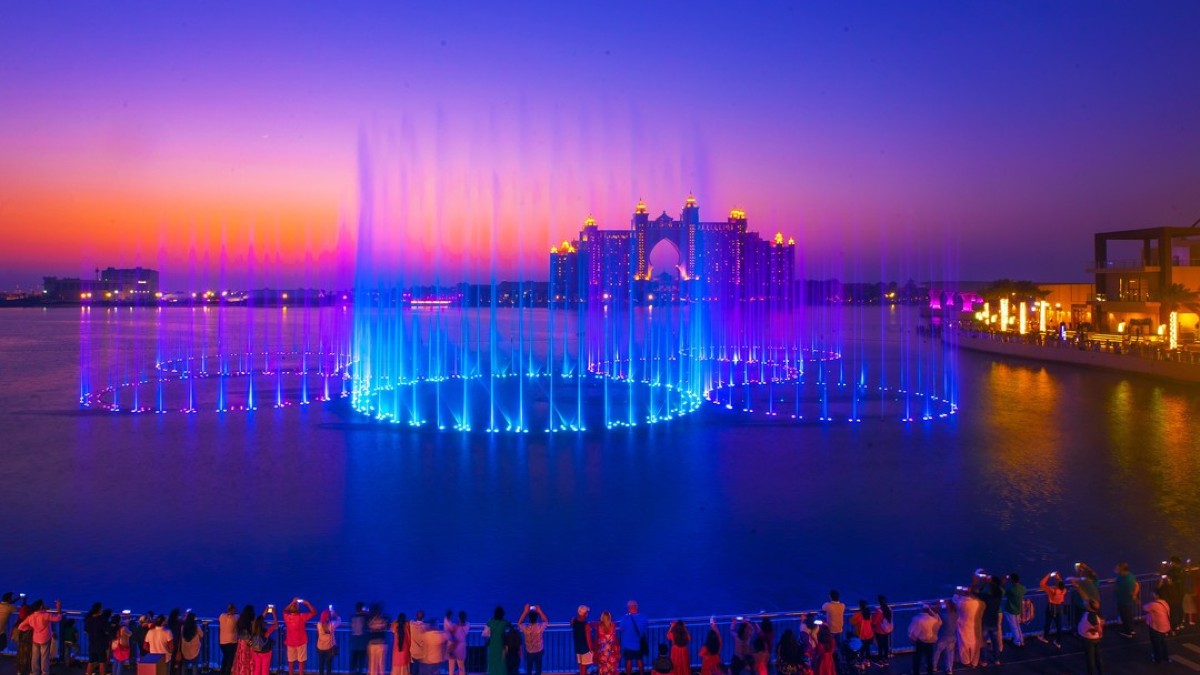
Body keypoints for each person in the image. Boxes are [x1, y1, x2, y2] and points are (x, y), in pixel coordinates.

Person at [284, 598, 318, 675]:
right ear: (298, 609)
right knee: (301, 662)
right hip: (301, 642)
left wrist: (292, 602)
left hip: (290, 642)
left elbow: (285, 610)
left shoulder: (287, 617)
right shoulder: (302, 616)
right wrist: (307, 603)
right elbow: (314, 612)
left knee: (291, 662)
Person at [906, 604, 939, 675]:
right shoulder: (933, 619)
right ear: (929, 611)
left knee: (917, 659)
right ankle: (930, 673)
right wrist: (931, 610)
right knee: (929, 659)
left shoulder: (916, 618)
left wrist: (913, 638)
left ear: (921, 609)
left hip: (920, 642)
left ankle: (916, 672)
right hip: (930, 642)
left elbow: (910, 631)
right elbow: (938, 620)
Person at [952, 586, 980, 668]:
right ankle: (974, 662)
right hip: (974, 625)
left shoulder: (961, 603)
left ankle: (966, 661)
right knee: (974, 643)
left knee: (963, 644)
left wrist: (957, 592)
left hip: (963, 625)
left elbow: (954, 601)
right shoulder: (977, 603)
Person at [1037, 572, 1066, 647]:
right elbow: (1061, 584)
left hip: (1051, 608)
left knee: (1048, 623)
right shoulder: (1064, 591)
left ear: (1057, 585)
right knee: (1059, 626)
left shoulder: (1052, 590)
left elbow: (1042, 584)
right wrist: (1058, 578)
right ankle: (1058, 642)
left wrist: (1049, 575)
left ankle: (1045, 637)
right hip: (1059, 608)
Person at [619, 601, 649, 675]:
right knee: (640, 660)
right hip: (639, 644)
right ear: (637, 607)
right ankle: (642, 673)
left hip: (628, 644)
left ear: (629, 608)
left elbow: (621, 629)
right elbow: (645, 627)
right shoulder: (643, 617)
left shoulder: (625, 618)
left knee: (628, 661)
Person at [978, 577, 1003, 667]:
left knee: (983, 641)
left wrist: (984, 583)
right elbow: (999, 589)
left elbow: (977, 593)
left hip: (985, 622)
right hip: (994, 621)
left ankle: (984, 661)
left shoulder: (987, 597)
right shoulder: (998, 597)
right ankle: (997, 660)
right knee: (995, 641)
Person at [1144, 589, 1171, 664]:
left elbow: (1145, 608)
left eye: (1153, 593)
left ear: (1157, 595)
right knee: (1163, 642)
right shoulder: (1165, 603)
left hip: (1156, 626)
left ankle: (1157, 658)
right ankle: (1165, 657)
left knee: (1156, 643)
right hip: (1165, 625)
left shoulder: (1154, 604)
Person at [1078, 599, 1104, 675]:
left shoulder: (1091, 615)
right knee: (1098, 658)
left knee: (1090, 659)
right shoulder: (1097, 613)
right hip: (1095, 638)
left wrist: (1097, 631)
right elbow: (1102, 622)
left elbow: (1098, 628)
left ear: (1089, 606)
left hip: (1089, 639)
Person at [1113, 563, 1139, 638]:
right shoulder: (1130, 576)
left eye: (1117, 568)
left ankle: (1128, 632)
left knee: (1125, 617)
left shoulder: (1124, 579)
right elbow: (1136, 585)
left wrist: (1133, 595)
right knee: (1129, 616)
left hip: (1123, 600)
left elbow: (1128, 589)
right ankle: (1131, 630)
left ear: (1121, 569)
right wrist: (1134, 595)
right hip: (1128, 600)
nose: (1116, 569)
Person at [250, 610, 280, 675]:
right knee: (265, 670)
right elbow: (276, 624)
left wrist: (265, 611)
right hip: (265, 653)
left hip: (255, 652)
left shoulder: (253, 630)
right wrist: (274, 613)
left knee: (257, 669)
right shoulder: (266, 632)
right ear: (262, 623)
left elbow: (258, 621)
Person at [85, 603, 111, 675]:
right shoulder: (101, 620)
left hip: (92, 643)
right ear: (98, 609)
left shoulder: (89, 619)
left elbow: (86, 631)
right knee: (102, 662)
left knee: (91, 661)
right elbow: (107, 631)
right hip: (101, 644)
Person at [518, 606, 545, 675]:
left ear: (529, 619)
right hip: (539, 651)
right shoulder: (539, 628)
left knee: (529, 670)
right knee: (538, 670)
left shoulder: (526, 629)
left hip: (529, 652)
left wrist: (525, 612)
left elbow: (519, 623)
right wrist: (539, 611)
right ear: (536, 619)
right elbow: (545, 621)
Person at [1002, 573, 1026, 647]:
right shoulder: (1023, 588)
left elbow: (1002, 593)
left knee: (1014, 626)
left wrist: (1003, 582)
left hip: (1010, 610)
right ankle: (1021, 640)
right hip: (1018, 610)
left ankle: (1017, 641)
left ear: (1011, 580)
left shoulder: (1011, 589)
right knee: (1017, 626)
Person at [933, 600, 956, 675]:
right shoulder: (956, 614)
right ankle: (949, 669)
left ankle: (934, 666)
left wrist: (938, 605)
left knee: (937, 652)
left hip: (942, 637)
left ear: (948, 606)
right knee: (950, 654)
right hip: (952, 637)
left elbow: (935, 614)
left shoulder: (943, 615)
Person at [484, 606, 510, 675]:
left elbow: (485, 634)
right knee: (501, 663)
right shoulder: (504, 622)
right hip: (501, 646)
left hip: (492, 646)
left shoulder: (490, 622)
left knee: (492, 663)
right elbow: (510, 626)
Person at [849, 601, 874, 666]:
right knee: (867, 648)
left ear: (860, 606)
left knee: (861, 650)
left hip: (861, 634)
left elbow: (852, 621)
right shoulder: (869, 613)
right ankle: (868, 661)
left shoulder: (859, 614)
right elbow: (871, 622)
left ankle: (862, 662)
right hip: (869, 634)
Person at [232, 606, 257, 675]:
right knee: (249, 659)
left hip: (241, 642)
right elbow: (254, 632)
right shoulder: (252, 621)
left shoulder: (240, 620)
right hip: (249, 643)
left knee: (241, 659)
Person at [367, 605, 390, 675]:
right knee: (381, 664)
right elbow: (387, 626)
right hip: (381, 644)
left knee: (372, 665)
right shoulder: (384, 619)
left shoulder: (370, 619)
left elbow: (368, 626)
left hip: (372, 644)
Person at [570, 607, 593, 675]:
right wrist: (591, 649)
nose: (587, 614)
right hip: (585, 649)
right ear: (584, 614)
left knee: (581, 666)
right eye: (587, 613)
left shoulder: (574, 621)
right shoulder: (586, 625)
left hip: (578, 648)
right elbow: (588, 639)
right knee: (584, 667)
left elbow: (571, 622)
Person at [318, 608, 341, 675]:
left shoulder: (318, 625)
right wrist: (335, 614)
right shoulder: (332, 625)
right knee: (329, 665)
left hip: (320, 647)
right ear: (328, 618)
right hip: (329, 648)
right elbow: (339, 621)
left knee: (321, 664)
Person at [871, 596, 893, 664]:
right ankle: (886, 658)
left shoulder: (879, 611)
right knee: (886, 644)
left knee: (880, 645)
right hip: (887, 630)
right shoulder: (889, 609)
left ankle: (880, 658)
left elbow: (874, 622)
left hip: (879, 630)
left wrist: (873, 615)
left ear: (879, 602)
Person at [595, 611, 618, 675]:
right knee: (612, 668)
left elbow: (597, 639)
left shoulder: (599, 626)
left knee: (603, 668)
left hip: (602, 651)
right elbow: (615, 638)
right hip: (612, 650)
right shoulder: (613, 625)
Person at [220, 604, 241, 675]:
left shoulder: (221, 616)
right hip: (231, 642)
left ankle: (222, 672)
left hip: (222, 642)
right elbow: (239, 615)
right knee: (229, 661)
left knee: (225, 659)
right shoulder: (235, 618)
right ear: (233, 610)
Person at [351, 603, 370, 675]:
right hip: (362, 644)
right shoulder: (364, 617)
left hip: (354, 644)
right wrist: (367, 612)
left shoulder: (352, 617)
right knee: (361, 662)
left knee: (354, 662)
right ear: (362, 609)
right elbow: (368, 623)